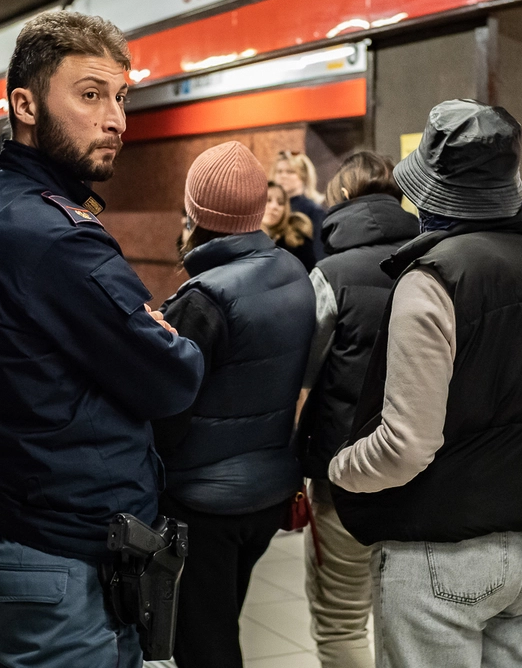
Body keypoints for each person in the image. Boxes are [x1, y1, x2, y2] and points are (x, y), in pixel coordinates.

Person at [0, 10, 204, 667]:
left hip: (5, 536)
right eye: (90, 95)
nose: (115, 119)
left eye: (121, 97)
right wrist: (160, 334)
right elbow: (174, 377)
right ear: (25, 104)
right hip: (65, 564)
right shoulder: (60, 241)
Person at [329, 100, 522, 668]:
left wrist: (342, 468)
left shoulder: (432, 279)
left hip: (441, 552)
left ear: (433, 195)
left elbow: (406, 444)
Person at [151, 140, 315, 668]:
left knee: (204, 645)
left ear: (195, 212)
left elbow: (168, 413)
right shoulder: (292, 272)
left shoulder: (204, 299)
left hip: (204, 502)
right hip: (267, 494)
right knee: (224, 621)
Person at [297, 150, 418, 668]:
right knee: (407, 622)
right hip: (423, 479)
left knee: (342, 621)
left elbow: (300, 373)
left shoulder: (330, 275)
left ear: (341, 199)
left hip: (343, 480)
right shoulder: (435, 263)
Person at [274, 149, 328, 259]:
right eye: (279, 171)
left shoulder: (314, 211)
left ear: (303, 176)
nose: (283, 176)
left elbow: (319, 252)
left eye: (290, 172)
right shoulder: (271, 208)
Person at [263, 182, 316, 270]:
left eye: (280, 203)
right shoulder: (241, 239)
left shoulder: (298, 242)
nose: (274, 206)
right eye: (268, 200)